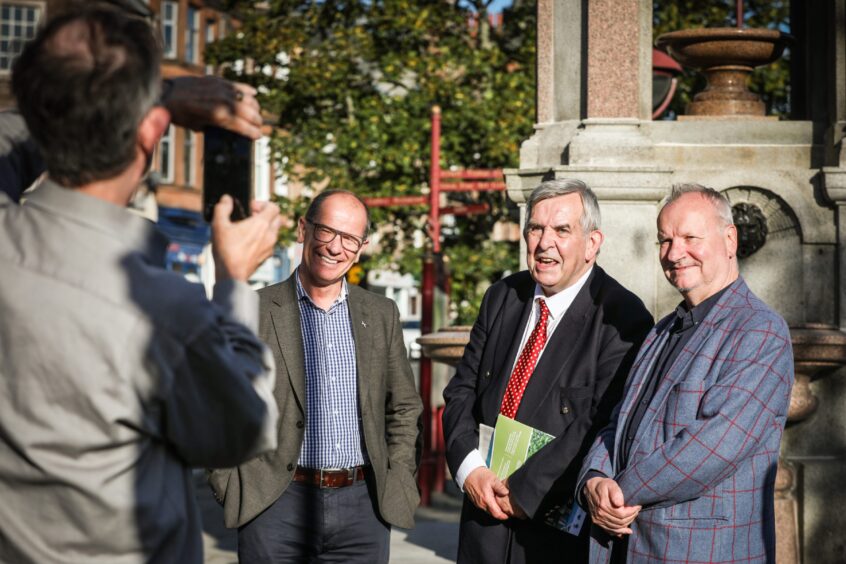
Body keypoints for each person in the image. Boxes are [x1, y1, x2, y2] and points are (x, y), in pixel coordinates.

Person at [0, 6, 283, 563]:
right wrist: (232, 280)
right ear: (153, 131)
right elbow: (243, 429)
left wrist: (160, 98)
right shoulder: (163, 312)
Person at [578, 184, 794, 563]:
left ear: (730, 240)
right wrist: (594, 480)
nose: (675, 253)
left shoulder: (760, 330)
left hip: (701, 550)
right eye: (665, 240)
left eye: (690, 237)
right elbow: (618, 422)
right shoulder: (661, 331)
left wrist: (618, 493)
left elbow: (715, 445)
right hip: (628, 544)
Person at [442, 179, 653, 563]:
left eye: (562, 230)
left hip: (552, 531)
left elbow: (600, 423)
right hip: (482, 517)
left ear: (592, 243)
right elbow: (461, 392)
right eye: (535, 228)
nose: (544, 243)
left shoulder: (622, 316)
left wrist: (522, 492)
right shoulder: (502, 296)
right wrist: (470, 470)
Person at [208, 189, 423, 563]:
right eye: (326, 231)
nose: (335, 248)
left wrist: (399, 477)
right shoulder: (256, 310)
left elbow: (403, 407)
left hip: (363, 507)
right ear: (303, 228)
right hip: (274, 504)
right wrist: (229, 484)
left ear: (362, 246)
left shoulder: (381, 313)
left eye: (349, 239)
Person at [0, 0, 263, 202]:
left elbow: (10, 138)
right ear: (152, 130)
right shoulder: (148, 274)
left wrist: (159, 96)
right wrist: (231, 269)